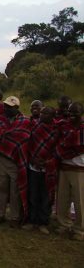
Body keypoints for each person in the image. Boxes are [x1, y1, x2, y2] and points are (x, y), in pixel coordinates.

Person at [0, 96, 31, 227]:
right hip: (2, 157)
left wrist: (6, 133)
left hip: (17, 160)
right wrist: (10, 133)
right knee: (0, 187)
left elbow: (24, 137)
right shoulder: (0, 119)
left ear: (17, 108)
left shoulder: (25, 121)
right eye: (6, 106)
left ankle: (15, 217)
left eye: (10, 107)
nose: (6, 109)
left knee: (15, 190)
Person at [23, 106, 58, 235]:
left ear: (53, 116)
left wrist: (46, 162)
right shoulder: (35, 126)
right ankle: (31, 221)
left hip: (47, 169)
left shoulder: (56, 130)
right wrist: (32, 158)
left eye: (46, 113)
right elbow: (29, 144)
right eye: (42, 112)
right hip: (33, 166)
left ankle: (43, 222)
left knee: (45, 196)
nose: (42, 114)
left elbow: (57, 150)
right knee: (32, 195)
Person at [55, 102, 83, 241]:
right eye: (70, 111)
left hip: (79, 169)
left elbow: (78, 146)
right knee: (62, 199)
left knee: (79, 201)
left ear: (81, 113)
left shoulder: (83, 128)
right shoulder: (63, 126)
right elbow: (59, 142)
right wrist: (63, 149)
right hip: (64, 166)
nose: (71, 114)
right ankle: (64, 225)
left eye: (75, 112)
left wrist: (64, 148)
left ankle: (79, 230)